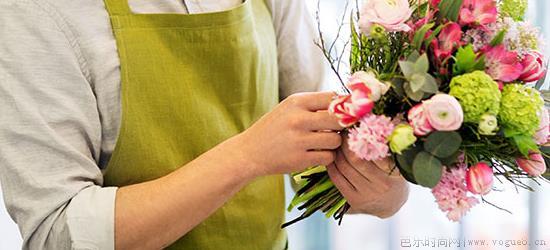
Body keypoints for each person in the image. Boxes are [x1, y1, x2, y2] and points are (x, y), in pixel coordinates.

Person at [0, 0, 409, 249]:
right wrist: (246, 156)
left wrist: (379, 196)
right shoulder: (34, 13)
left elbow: (310, 157)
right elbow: (58, 236)